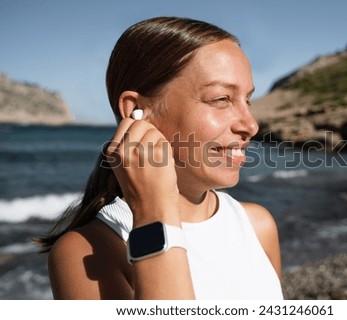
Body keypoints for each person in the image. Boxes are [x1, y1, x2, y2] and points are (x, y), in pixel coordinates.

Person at [36, 16, 283, 300]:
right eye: (220, 99)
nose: (251, 125)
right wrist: (154, 212)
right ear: (137, 110)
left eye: (247, 100)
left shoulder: (257, 226)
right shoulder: (86, 251)